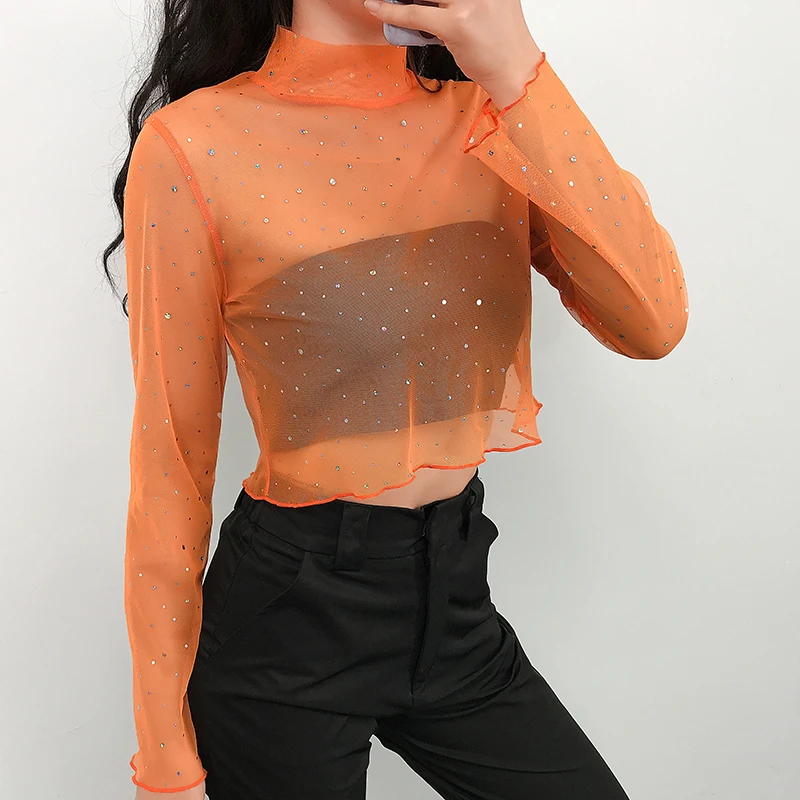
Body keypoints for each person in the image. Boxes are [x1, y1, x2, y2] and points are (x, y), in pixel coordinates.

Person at [103, 0, 689, 797]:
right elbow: (169, 465)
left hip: (457, 608)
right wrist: (164, 760)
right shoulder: (194, 144)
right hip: (285, 632)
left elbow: (652, 323)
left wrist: (517, 68)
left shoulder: (490, 112)